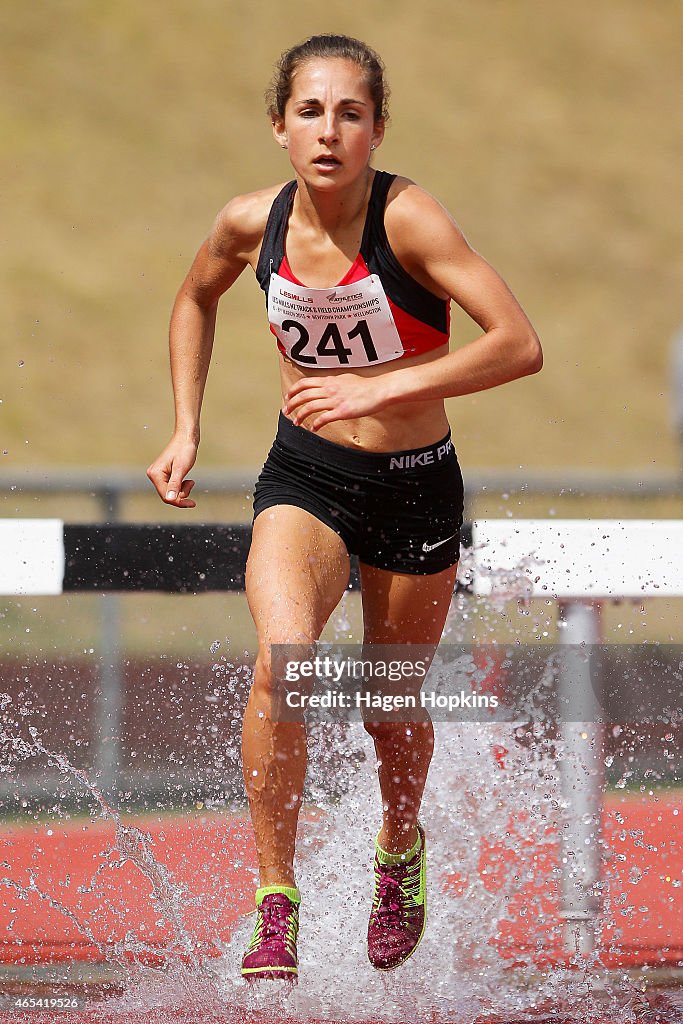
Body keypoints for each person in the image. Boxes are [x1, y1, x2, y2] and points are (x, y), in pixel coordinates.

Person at [147, 33, 542, 983]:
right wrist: (185, 425)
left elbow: (518, 343)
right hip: (306, 477)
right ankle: (274, 899)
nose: (329, 131)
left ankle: (398, 849)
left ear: (376, 130)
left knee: (388, 704)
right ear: (280, 126)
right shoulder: (250, 222)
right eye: (311, 111)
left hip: (414, 483)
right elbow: (193, 298)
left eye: (351, 114)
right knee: (284, 661)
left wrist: (377, 390)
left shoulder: (409, 221)